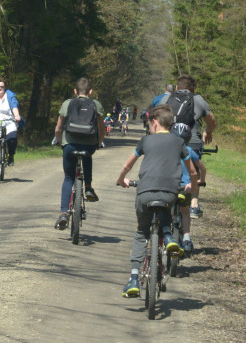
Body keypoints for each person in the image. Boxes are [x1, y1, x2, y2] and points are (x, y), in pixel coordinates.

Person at [116, 105, 198, 298]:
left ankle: (134, 279)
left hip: (145, 192)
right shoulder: (179, 143)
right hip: (169, 192)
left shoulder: (145, 141)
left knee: (141, 232)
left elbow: (128, 164)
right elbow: (193, 171)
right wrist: (192, 188)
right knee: (165, 205)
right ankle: (168, 237)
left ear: (154, 122)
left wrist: (121, 180)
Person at [153, 74, 216, 224]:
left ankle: (161, 195)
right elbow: (211, 121)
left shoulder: (165, 99)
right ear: (193, 88)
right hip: (191, 141)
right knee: (194, 167)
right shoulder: (198, 100)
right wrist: (208, 132)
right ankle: (194, 204)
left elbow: (154, 120)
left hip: (167, 140)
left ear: (176, 87)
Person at [53, 77, 104, 230]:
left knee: (69, 178)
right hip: (89, 144)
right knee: (87, 155)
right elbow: (101, 128)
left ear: (75, 91)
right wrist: (99, 142)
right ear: (91, 91)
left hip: (69, 145)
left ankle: (63, 213)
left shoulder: (67, 103)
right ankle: (88, 187)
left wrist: (59, 141)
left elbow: (58, 127)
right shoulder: (96, 104)